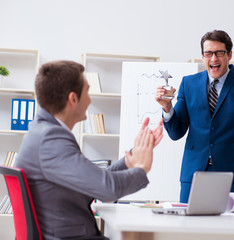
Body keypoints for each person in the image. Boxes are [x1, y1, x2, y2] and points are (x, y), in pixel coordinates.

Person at [15, 60, 164, 239]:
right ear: (73, 99)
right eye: (87, 90)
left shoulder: (43, 133)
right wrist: (142, 168)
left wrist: (129, 160)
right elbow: (108, 188)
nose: (90, 99)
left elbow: (96, 182)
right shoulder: (51, 140)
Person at [155, 30, 234, 203]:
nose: (213, 59)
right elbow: (176, 132)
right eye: (208, 53)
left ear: (229, 54)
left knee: (231, 228)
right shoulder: (189, 83)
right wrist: (167, 107)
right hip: (194, 173)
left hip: (233, 175)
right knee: (191, 227)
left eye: (219, 53)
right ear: (202, 56)